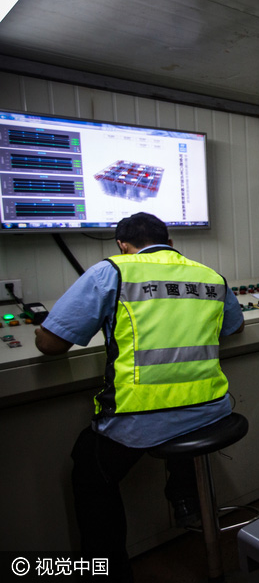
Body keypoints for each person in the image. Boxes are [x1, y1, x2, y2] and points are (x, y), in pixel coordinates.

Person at [35, 212, 244, 580]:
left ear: (123, 245)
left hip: (141, 418)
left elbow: (50, 343)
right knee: (180, 429)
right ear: (171, 243)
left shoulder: (112, 272)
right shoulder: (209, 275)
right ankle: (184, 498)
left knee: (90, 468)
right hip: (211, 410)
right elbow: (233, 325)